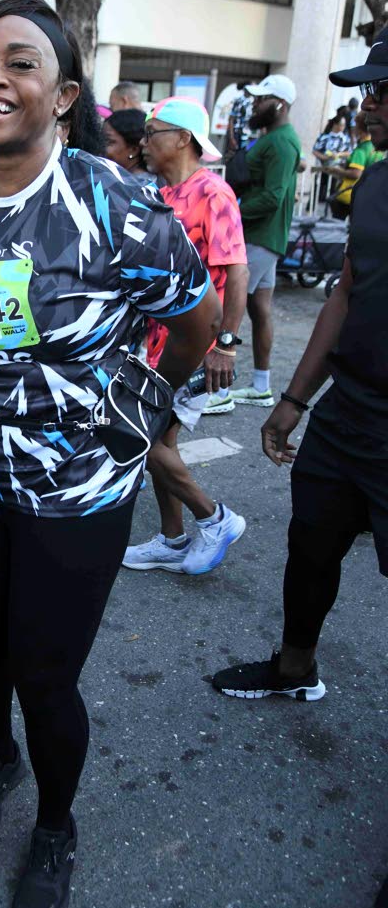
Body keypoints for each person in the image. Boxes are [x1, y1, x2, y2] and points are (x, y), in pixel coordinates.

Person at [0, 0, 220, 908]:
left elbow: (196, 314)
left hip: (78, 490)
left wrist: (140, 409)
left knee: (45, 672)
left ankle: (54, 824)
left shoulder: (115, 201)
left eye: (20, 63)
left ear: (64, 92)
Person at [208, 25, 388, 908]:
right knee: (310, 550)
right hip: (350, 413)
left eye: (384, 88)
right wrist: (291, 400)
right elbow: (351, 291)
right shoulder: (380, 178)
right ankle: (293, 665)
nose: (371, 104)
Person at [123, 97, 249, 575]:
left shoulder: (213, 193)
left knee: (144, 436)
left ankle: (214, 518)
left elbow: (236, 272)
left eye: (153, 132)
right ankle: (172, 538)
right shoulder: (161, 194)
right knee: (162, 440)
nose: (144, 142)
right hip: (158, 346)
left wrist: (226, 344)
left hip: (197, 348)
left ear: (182, 138)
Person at [229, 74, 301, 410]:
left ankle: (215, 389)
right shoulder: (273, 137)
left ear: (280, 104)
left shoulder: (282, 142)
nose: (255, 105)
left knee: (230, 306)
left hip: (260, 237)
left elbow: (272, 197)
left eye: (261, 99)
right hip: (261, 236)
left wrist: (232, 211)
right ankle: (261, 386)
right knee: (259, 311)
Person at [325, 111, 384, 219]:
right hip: (367, 194)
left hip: (349, 194)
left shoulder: (361, 149)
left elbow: (355, 173)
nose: (354, 128)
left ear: (360, 128)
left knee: (338, 227)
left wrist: (336, 170)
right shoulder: (376, 147)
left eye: (356, 125)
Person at [102, 109, 150, 183]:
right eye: (101, 139)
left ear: (133, 150)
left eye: (108, 141)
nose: (101, 146)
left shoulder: (138, 186)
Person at [225, 82, 254, 155]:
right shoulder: (239, 101)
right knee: (233, 154)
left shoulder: (252, 102)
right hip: (237, 132)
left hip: (247, 134)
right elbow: (231, 119)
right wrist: (231, 137)